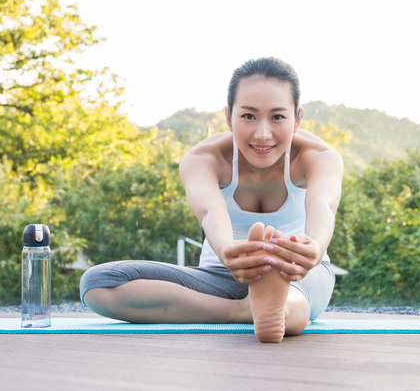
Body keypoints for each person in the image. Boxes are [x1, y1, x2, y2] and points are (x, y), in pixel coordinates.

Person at [80, 57, 344, 343]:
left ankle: (277, 304)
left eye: (278, 117)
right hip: (221, 275)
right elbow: (209, 211)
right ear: (229, 117)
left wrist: (315, 248)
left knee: (294, 296)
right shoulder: (203, 158)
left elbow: (323, 204)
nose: (263, 133)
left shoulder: (319, 156)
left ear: (297, 119)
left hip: (297, 273)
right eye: (248, 116)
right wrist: (227, 250)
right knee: (99, 284)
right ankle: (244, 310)